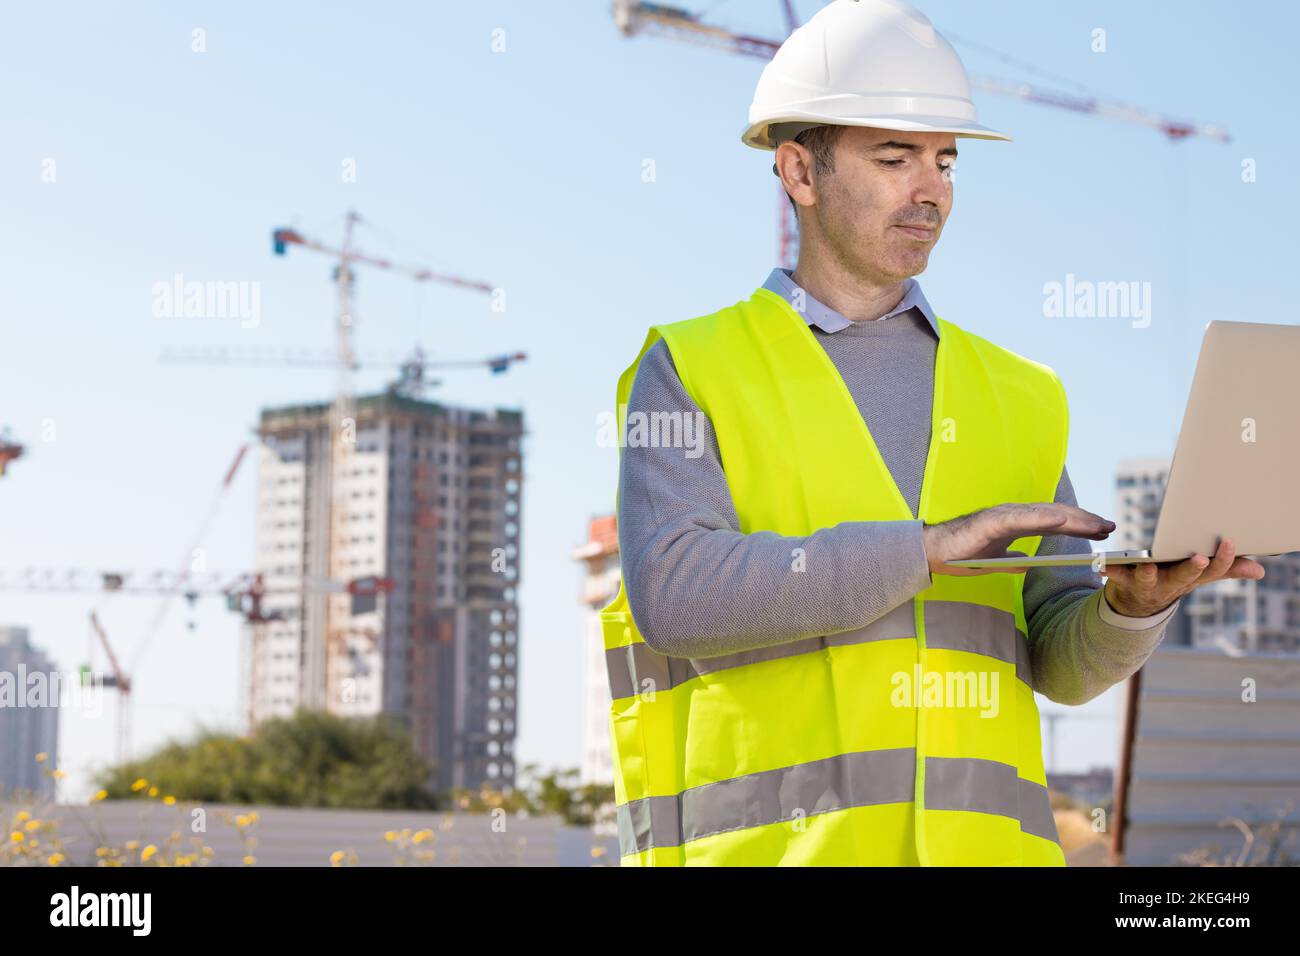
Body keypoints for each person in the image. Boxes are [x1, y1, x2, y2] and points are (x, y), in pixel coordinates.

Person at [601, 0, 1264, 866]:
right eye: (894, 157)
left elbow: (1058, 661)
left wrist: (1130, 610)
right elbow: (675, 593)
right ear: (799, 172)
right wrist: (923, 549)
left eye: (945, 161)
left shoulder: (1020, 395)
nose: (932, 189)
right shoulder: (693, 367)